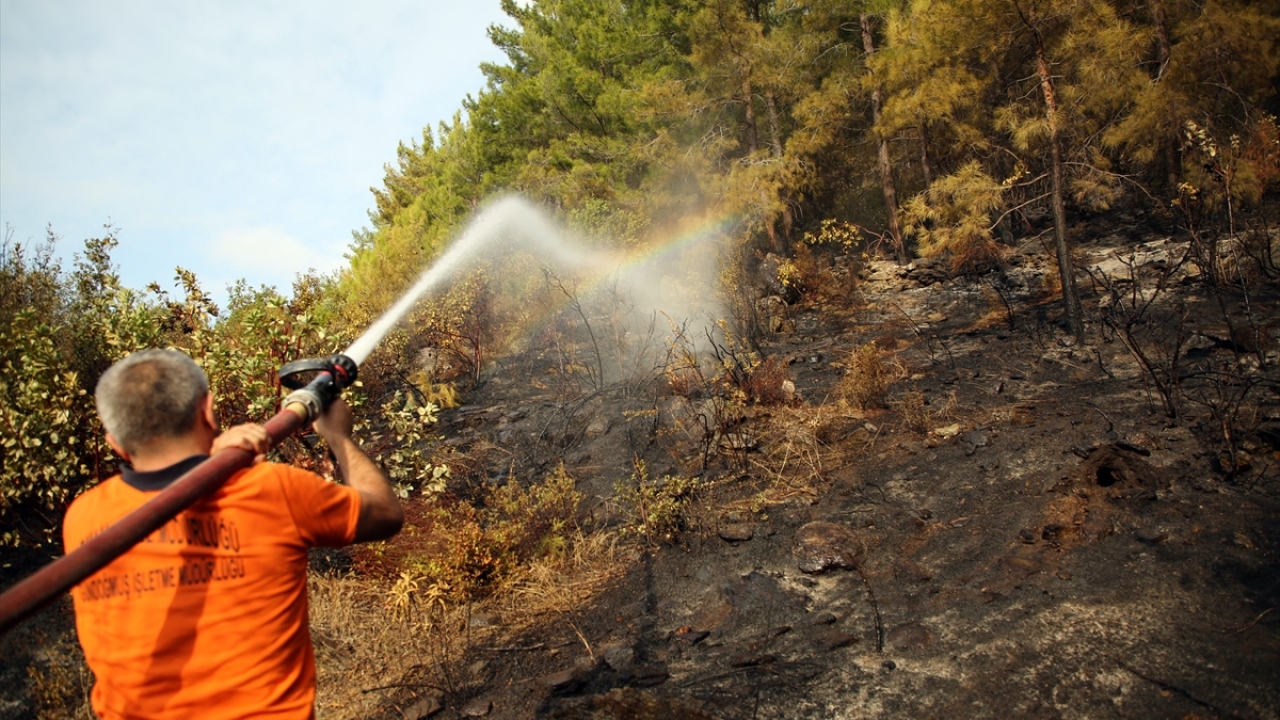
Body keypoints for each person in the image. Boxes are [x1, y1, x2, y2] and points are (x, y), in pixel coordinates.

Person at [63, 349, 403, 719]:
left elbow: (174, 501)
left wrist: (210, 459)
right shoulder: (272, 489)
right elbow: (384, 514)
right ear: (207, 411)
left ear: (115, 441)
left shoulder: (82, 518)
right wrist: (339, 437)